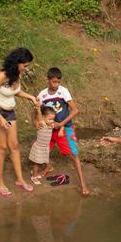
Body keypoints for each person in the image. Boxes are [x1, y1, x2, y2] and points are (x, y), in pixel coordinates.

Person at [0, 48, 38, 197]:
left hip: (9, 112)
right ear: (17, 62)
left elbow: (15, 91)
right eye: (25, 65)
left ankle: (20, 179)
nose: (27, 68)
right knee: (1, 148)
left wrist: (30, 96)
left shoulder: (17, 74)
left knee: (14, 145)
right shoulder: (2, 75)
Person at [37, 67, 90, 196]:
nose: (56, 84)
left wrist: (62, 124)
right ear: (47, 80)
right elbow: (37, 112)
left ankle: (83, 184)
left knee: (73, 154)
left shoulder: (63, 92)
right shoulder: (42, 95)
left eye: (58, 82)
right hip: (49, 129)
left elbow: (75, 110)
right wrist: (38, 123)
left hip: (65, 128)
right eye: (54, 82)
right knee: (41, 148)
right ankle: (48, 167)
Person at [29, 105, 57, 185]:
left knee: (41, 161)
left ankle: (34, 172)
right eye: (50, 119)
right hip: (39, 147)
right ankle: (34, 176)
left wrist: (61, 130)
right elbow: (39, 116)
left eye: (53, 119)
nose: (52, 121)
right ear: (43, 117)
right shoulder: (42, 124)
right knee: (36, 163)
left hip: (45, 147)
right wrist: (38, 109)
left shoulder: (51, 125)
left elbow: (59, 125)